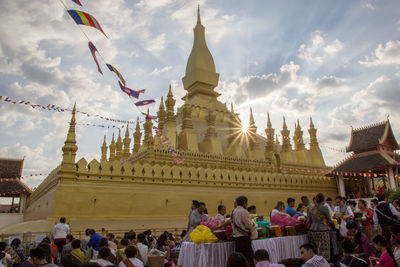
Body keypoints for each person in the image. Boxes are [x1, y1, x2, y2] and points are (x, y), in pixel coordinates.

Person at [308, 193, 334, 261]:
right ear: (323, 200)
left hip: (313, 229)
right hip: (322, 229)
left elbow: (309, 218)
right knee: (324, 250)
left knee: (316, 248)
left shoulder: (311, 208)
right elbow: (329, 219)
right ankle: (323, 263)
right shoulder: (324, 207)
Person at [232, 196, 256, 267]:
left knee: (239, 259)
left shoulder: (234, 211)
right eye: (247, 203)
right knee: (248, 259)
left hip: (237, 238)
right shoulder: (244, 211)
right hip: (244, 238)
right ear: (244, 202)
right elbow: (249, 225)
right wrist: (253, 224)